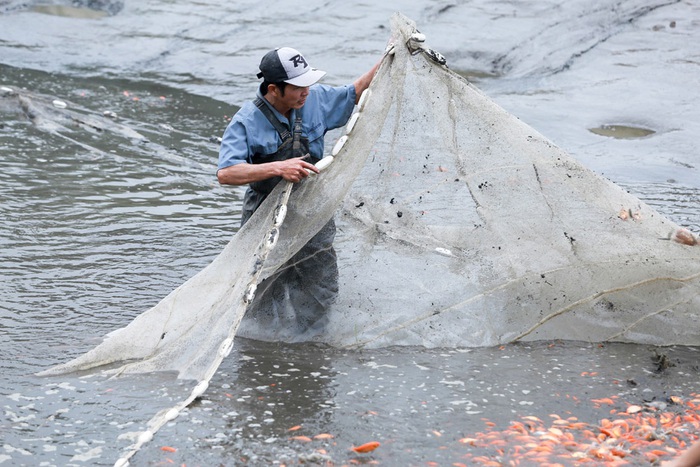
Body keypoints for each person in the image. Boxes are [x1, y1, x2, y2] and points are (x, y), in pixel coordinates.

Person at [217, 47, 380, 335]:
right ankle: (267, 353)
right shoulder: (245, 121)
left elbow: (356, 90)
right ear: (273, 89)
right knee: (267, 289)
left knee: (320, 283)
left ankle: (313, 342)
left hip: (313, 211)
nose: (306, 92)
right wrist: (278, 168)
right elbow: (227, 173)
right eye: (298, 87)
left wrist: (391, 54)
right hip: (266, 217)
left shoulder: (315, 100)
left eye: (308, 84)